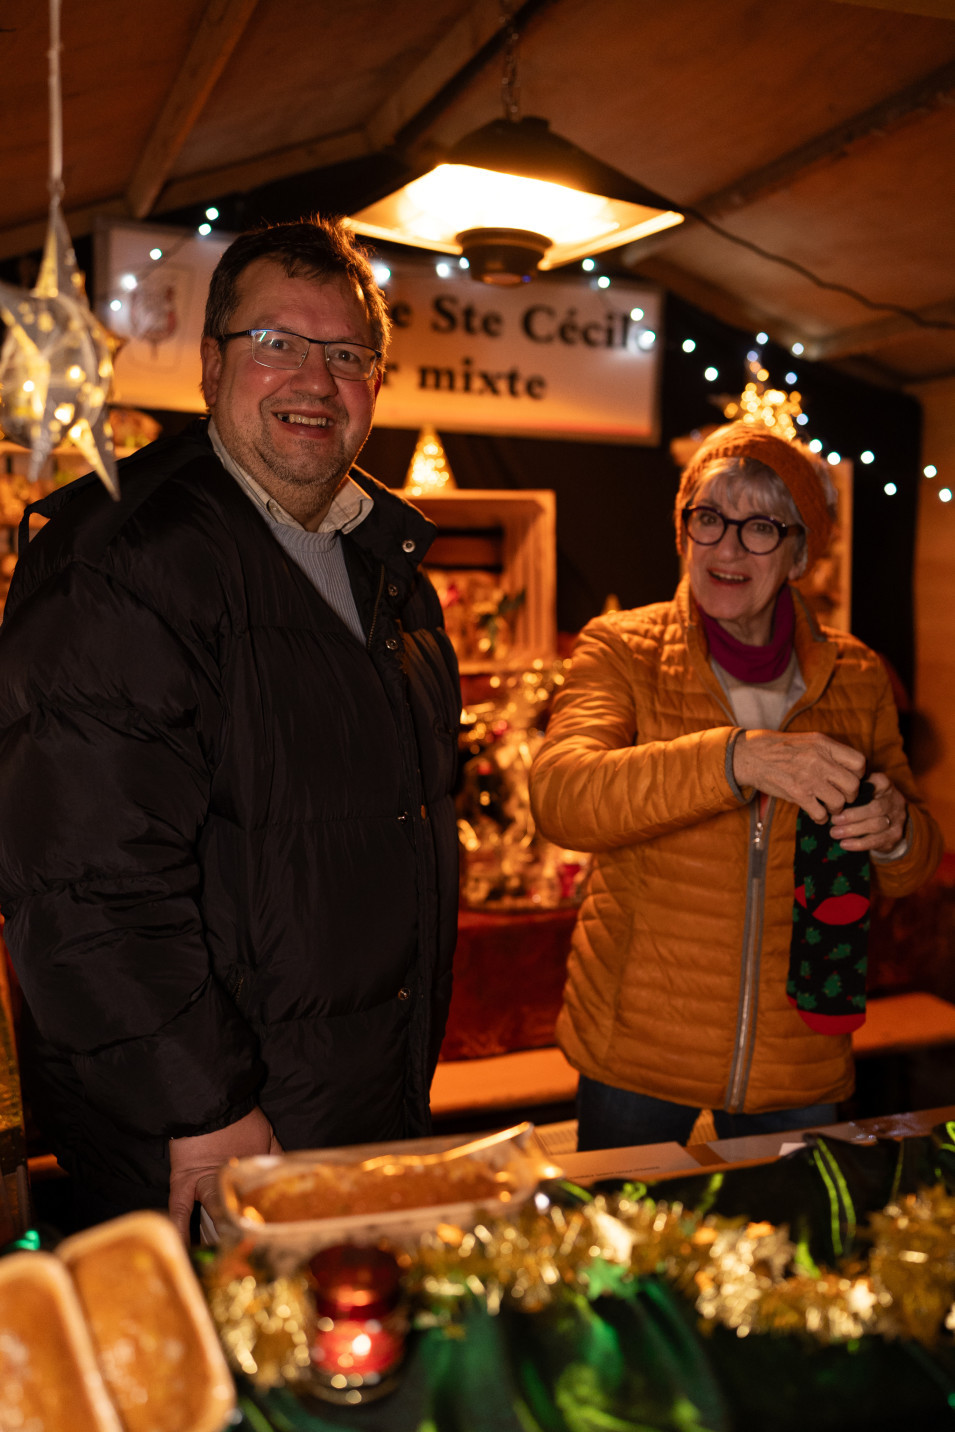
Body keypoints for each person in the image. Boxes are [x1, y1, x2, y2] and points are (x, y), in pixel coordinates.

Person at [0, 217, 461, 1235]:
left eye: (346, 354)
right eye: (276, 343)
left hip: (359, 1113)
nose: (314, 380)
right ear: (211, 366)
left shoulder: (390, 567)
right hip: (209, 1145)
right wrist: (203, 1109)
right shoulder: (124, 562)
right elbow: (85, 886)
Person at [530, 422, 942, 1151]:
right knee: (622, 1226)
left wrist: (895, 831)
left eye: (760, 528)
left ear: (800, 553)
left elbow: (911, 866)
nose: (726, 548)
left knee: (787, 1223)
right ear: (682, 530)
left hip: (795, 1054)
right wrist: (736, 760)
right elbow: (561, 795)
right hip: (639, 1044)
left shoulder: (856, 674)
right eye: (709, 518)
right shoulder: (622, 648)